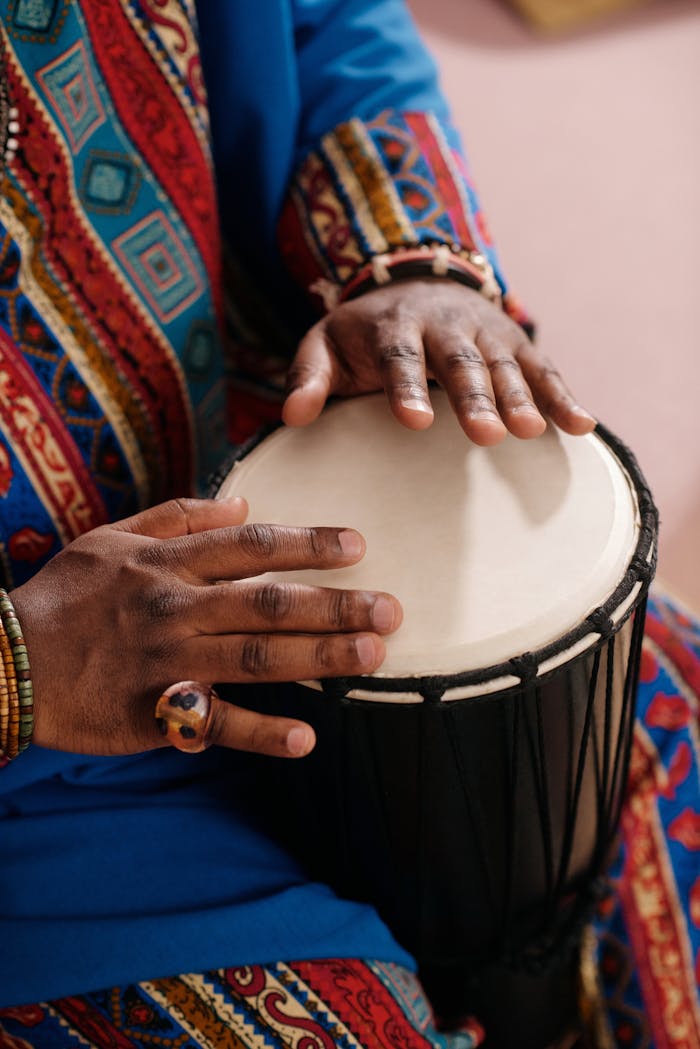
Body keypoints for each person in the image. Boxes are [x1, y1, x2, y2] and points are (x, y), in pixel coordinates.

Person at [0, 2, 697, 1046]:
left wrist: (414, 267)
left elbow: (327, 22)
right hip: (39, 808)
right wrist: (22, 665)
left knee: (670, 702)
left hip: (248, 460)